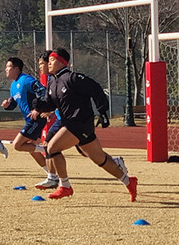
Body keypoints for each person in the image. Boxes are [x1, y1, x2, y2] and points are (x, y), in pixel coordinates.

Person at [29, 48, 137, 202]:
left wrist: (103, 112)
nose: (49, 63)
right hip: (71, 123)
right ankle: (128, 181)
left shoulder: (72, 78)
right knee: (100, 159)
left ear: (61, 62)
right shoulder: (52, 81)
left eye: (52, 60)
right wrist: (39, 105)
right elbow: (50, 104)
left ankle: (65, 186)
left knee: (52, 148)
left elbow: (96, 89)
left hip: (80, 122)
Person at [0, 58, 47, 171]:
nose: (6, 69)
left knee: (18, 145)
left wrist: (37, 109)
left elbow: (43, 91)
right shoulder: (13, 86)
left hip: (36, 119)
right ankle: (52, 175)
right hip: (29, 120)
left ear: (16, 68)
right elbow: (14, 104)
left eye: (8, 66)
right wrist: (7, 106)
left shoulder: (26, 80)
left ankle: (49, 150)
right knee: (32, 149)